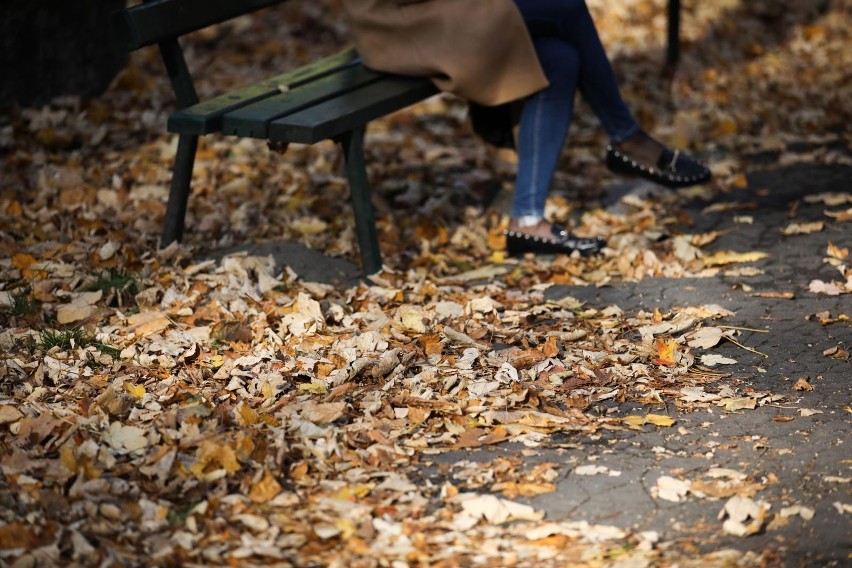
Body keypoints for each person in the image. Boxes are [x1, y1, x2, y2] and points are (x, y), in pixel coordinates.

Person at [338, 0, 711, 256]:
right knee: (565, 5)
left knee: (559, 61)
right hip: (401, 22)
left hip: (439, 12)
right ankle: (627, 138)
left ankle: (527, 219)